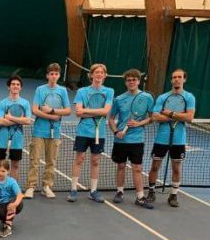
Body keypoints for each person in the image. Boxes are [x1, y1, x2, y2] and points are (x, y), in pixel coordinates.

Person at [147, 68, 197, 207]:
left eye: (179, 77)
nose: (177, 79)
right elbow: (155, 116)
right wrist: (178, 115)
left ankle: (173, 195)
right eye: (174, 77)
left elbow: (189, 117)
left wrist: (169, 113)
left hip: (179, 139)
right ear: (171, 80)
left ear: (184, 79)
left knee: (176, 167)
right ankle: (151, 191)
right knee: (155, 166)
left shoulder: (189, 97)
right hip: (161, 139)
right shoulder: (163, 97)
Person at [107, 69, 154, 208]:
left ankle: (140, 197)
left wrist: (138, 123)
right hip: (121, 140)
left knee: (137, 168)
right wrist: (116, 132)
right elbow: (111, 119)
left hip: (137, 139)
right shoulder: (119, 99)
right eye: (129, 80)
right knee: (121, 166)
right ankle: (120, 192)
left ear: (138, 81)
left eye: (134, 79)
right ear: (125, 82)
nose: (131, 82)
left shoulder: (147, 98)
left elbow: (152, 117)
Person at [69, 63, 114, 203]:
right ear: (91, 75)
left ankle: (93, 191)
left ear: (105, 75)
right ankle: (73, 190)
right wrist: (97, 113)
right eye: (96, 72)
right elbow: (78, 112)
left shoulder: (109, 91)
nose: (99, 75)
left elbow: (106, 111)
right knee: (79, 159)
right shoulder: (82, 91)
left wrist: (86, 111)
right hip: (83, 131)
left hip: (99, 132)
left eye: (102, 72)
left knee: (95, 161)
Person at [26, 63, 71, 199]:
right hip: (39, 131)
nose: (54, 76)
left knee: (51, 160)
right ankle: (31, 187)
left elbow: (68, 110)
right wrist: (52, 116)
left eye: (56, 74)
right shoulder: (40, 89)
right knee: (35, 160)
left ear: (59, 76)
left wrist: (52, 110)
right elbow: (35, 110)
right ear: (47, 75)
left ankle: (46, 187)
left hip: (55, 132)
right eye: (51, 74)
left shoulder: (62, 90)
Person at [0, 76, 32, 181]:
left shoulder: (25, 103)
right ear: (9, 87)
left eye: (18, 85)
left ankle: (12, 190)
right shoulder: (3, 103)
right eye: (13, 84)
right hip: (2, 138)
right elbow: (1, 121)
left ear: (20, 88)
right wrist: (20, 120)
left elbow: (28, 121)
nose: (15, 86)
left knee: (15, 165)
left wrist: (10, 117)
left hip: (17, 139)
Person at [0, 160, 24, 238]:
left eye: (3, 171)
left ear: (8, 171)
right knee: (1, 216)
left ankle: (8, 228)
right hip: (2, 203)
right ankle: (7, 220)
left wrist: (14, 204)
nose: (0, 173)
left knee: (10, 205)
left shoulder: (12, 182)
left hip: (15, 202)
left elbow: (20, 195)